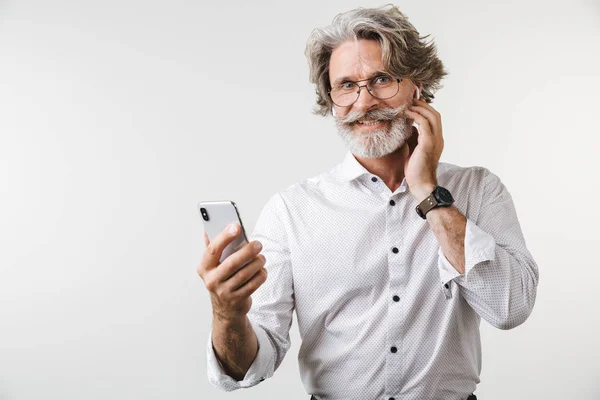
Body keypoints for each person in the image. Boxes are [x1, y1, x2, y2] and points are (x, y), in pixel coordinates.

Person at [197, 5, 539, 400]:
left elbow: (510, 308)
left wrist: (429, 192)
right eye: (346, 85)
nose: (364, 102)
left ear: (419, 85)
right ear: (330, 99)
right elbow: (247, 367)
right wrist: (228, 313)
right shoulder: (291, 211)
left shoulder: (479, 189)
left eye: (381, 79)